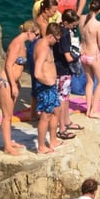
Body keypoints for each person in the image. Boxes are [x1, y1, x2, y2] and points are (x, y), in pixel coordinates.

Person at [0, 22, 39, 155]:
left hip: (12, 82)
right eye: (35, 34)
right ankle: (7, 147)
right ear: (29, 32)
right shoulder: (16, 44)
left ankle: (9, 142)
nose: (36, 37)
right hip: (5, 82)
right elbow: (8, 65)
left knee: (9, 115)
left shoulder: (23, 45)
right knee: (7, 116)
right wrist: (13, 85)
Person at [32, 21, 63, 154]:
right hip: (46, 87)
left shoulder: (45, 45)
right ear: (50, 36)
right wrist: (48, 82)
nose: (57, 42)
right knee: (46, 116)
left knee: (57, 110)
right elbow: (37, 72)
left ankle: (53, 140)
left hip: (51, 87)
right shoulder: (43, 49)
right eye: (56, 39)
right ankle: (41, 147)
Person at [55, 9, 83, 139]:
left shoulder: (61, 30)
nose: (74, 27)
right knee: (62, 99)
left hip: (62, 70)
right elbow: (68, 57)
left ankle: (66, 122)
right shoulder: (65, 34)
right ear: (66, 22)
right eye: (73, 25)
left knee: (66, 98)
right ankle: (62, 128)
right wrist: (78, 55)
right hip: (62, 70)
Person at [79, 0, 100, 118]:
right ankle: (94, 110)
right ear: (99, 10)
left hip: (83, 54)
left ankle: (88, 109)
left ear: (89, 6)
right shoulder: (98, 24)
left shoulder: (81, 19)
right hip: (93, 56)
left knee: (89, 82)